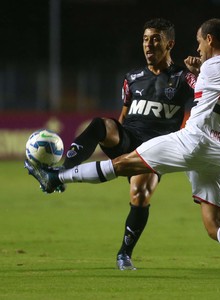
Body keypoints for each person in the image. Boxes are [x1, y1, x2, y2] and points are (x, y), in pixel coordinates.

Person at [25, 18, 220, 278]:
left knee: (123, 164)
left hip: (193, 141)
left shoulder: (212, 66)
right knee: (215, 225)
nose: (198, 47)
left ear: (210, 39)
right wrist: (201, 70)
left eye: (199, 41)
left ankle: (55, 176)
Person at [41, 18, 196, 270]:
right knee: (102, 124)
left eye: (156, 39)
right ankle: (62, 171)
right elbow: (124, 114)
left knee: (140, 194)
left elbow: (207, 91)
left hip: (155, 150)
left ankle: (124, 253)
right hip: (128, 137)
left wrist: (200, 71)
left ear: (170, 44)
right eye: (145, 39)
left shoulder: (183, 78)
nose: (149, 45)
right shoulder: (132, 77)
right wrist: (117, 136)